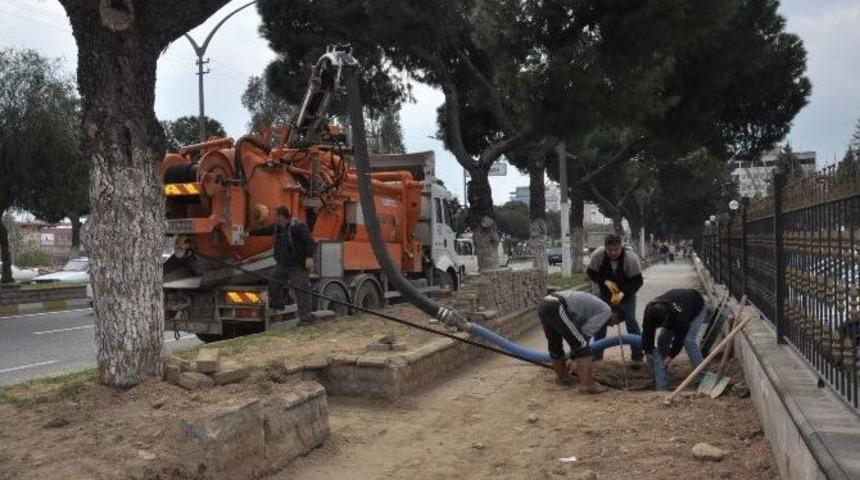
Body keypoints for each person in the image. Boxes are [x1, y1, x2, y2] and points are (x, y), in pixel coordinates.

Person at [538, 289, 623, 394]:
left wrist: (574, 355)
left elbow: (575, 334)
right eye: (616, 322)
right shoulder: (606, 311)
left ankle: (563, 378)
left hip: (545, 304)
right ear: (615, 314)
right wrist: (578, 354)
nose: (613, 325)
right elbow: (585, 334)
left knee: (555, 345)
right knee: (583, 347)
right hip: (556, 305)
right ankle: (587, 386)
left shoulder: (595, 308)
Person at [248, 206, 317, 325]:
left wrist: (309, 257)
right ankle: (277, 303)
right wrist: (250, 233)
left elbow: (309, 241)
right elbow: (264, 230)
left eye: (275, 215)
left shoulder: (297, 227)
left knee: (301, 290)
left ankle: (305, 318)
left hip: (297, 266)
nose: (273, 218)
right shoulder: (277, 228)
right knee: (273, 279)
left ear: (281, 216)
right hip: (283, 265)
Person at [586, 234, 645, 364]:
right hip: (606, 293)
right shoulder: (598, 255)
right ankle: (597, 355)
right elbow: (591, 273)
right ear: (605, 248)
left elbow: (637, 282)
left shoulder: (631, 258)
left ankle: (637, 355)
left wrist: (621, 294)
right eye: (610, 250)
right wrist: (606, 283)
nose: (613, 253)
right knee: (600, 320)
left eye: (616, 249)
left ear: (621, 247)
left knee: (630, 319)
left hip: (627, 293)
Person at [641, 288, 706, 390]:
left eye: (662, 324)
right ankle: (661, 375)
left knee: (688, 341)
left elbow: (679, 339)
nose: (661, 326)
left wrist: (670, 356)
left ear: (666, 317)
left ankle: (702, 376)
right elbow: (647, 332)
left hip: (696, 307)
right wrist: (648, 351)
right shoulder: (650, 310)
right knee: (662, 339)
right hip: (678, 306)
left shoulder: (681, 318)